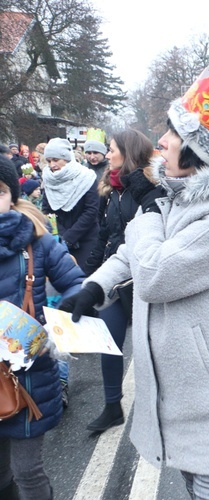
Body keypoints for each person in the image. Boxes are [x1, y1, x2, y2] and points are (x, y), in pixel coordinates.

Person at [58, 69, 209, 499]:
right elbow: (130, 253)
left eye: (173, 132)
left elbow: (155, 273)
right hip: (185, 392)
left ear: (197, 149)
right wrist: (96, 287)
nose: (162, 141)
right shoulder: (178, 194)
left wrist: (150, 217)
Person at [0, 156, 86, 500]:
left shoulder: (36, 241)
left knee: (27, 471)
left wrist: (57, 326)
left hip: (28, 378)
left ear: (12, 195)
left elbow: (76, 285)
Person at [84, 129, 164, 433]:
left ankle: (156, 409)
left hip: (141, 278)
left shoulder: (149, 190)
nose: (107, 155)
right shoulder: (109, 189)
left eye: (112, 149)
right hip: (115, 277)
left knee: (151, 346)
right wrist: (91, 274)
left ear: (128, 152)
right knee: (109, 342)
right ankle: (112, 406)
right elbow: (104, 234)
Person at [41, 138, 100, 268]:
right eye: (49, 161)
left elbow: (91, 211)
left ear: (67, 159)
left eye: (56, 160)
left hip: (86, 238)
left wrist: (69, 237)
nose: (52, 165)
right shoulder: (48, 179)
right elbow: (46, 210)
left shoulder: (87, 177)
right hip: (59, 239)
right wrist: (61, 236)